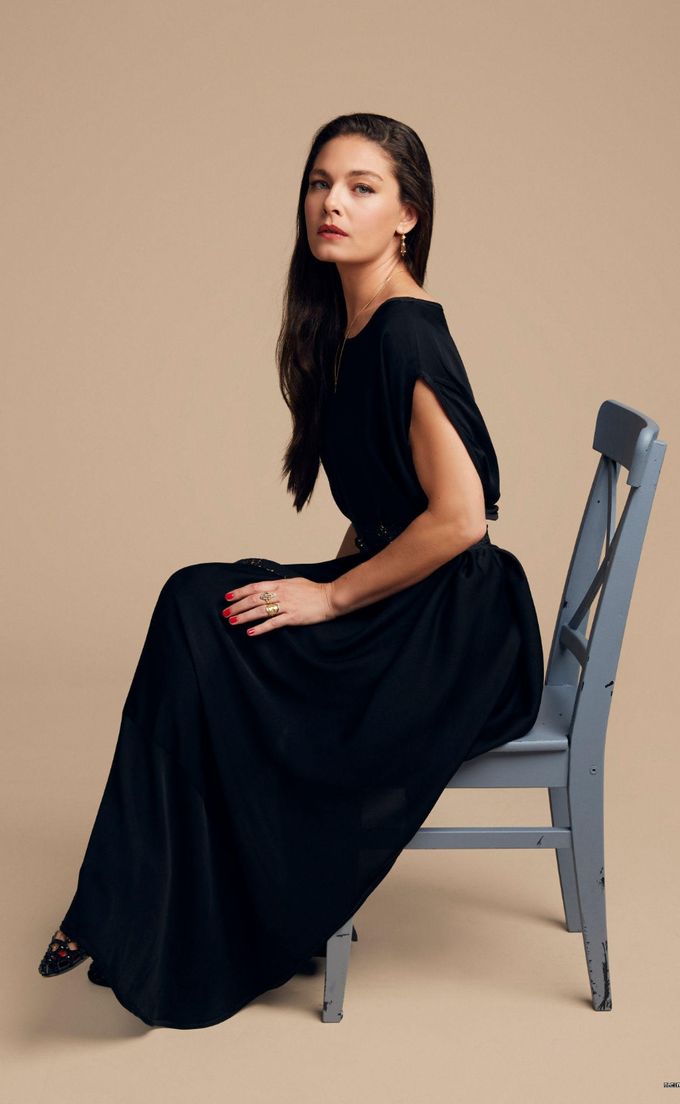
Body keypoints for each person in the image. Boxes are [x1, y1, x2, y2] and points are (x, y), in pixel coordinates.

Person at [37, 112, 544, 1029]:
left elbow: (464, 518)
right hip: (415, 598)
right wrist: (333, 585)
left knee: (201, 612)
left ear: (408, 217)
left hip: (456, 633)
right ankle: (134, 902)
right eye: (319, 183)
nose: (332, 204)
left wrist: (333, 597)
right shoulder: (346, 327)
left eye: (361, 187)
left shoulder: (403, 334)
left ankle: (150, 909)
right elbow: (388, 505)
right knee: (201, 603)